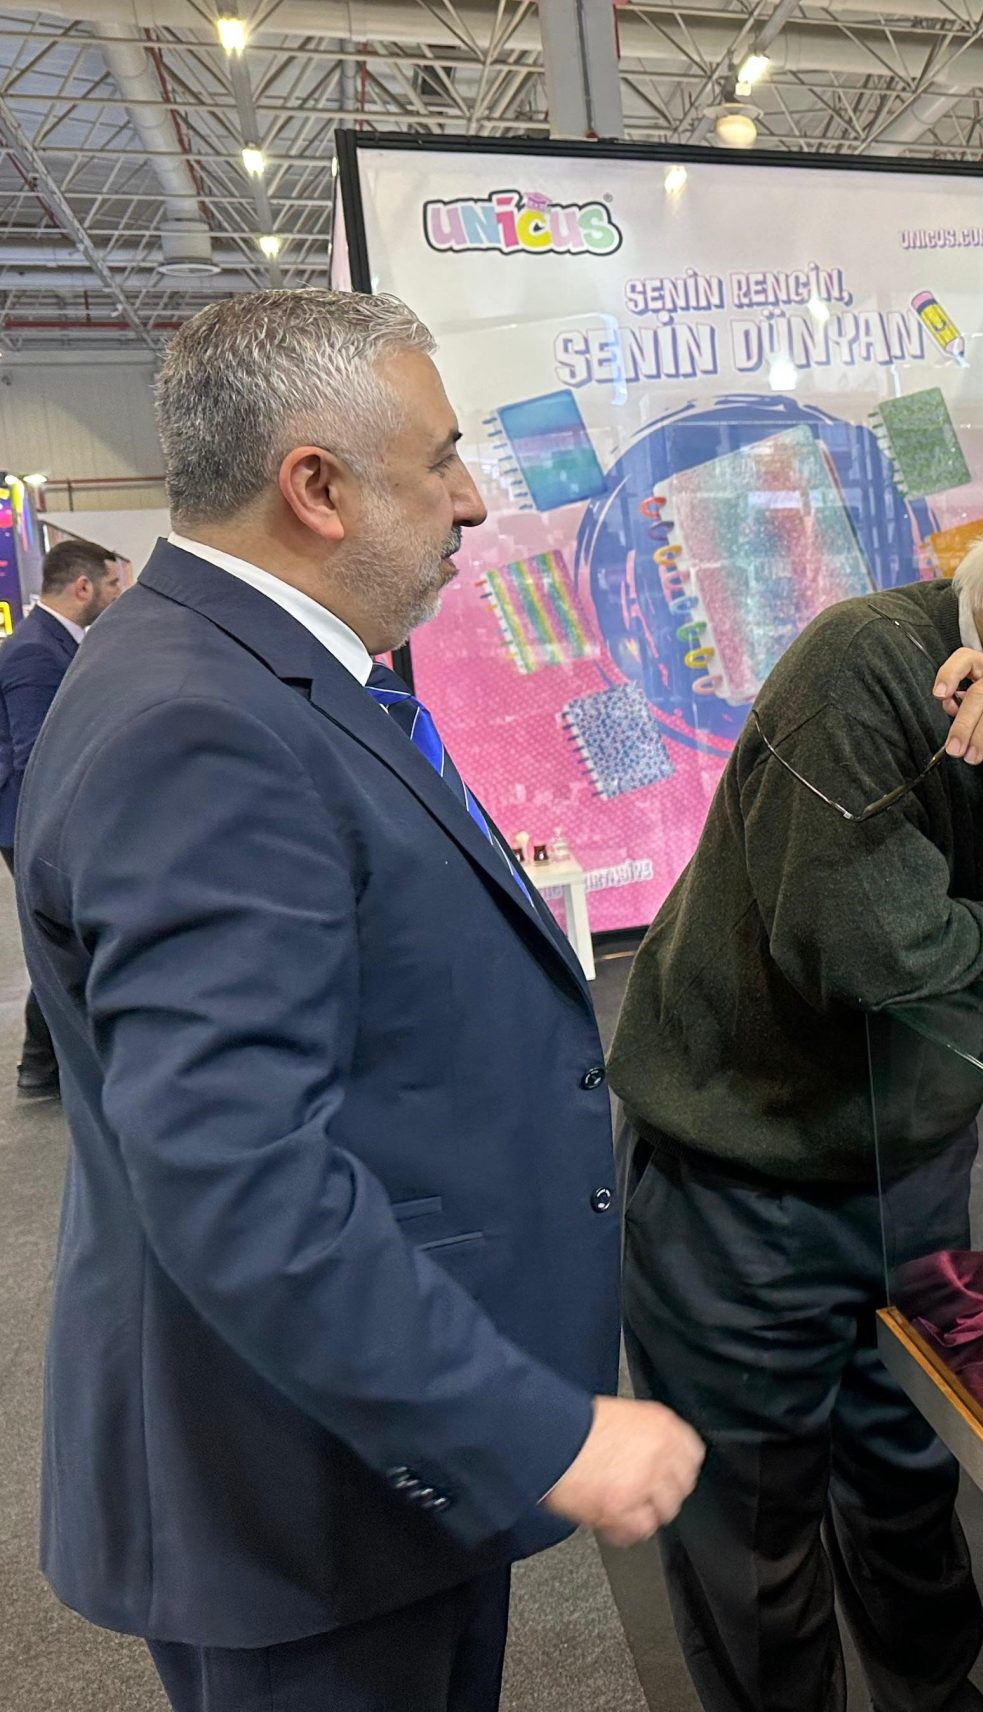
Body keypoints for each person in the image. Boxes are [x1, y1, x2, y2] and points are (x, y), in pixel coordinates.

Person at [22, 289, 700, 1712]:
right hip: (293, 1494)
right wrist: (533, 1428)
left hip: (358, 1467)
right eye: (440, 460)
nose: (470, 501)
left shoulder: (253, 674)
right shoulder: (203, 724)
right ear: (316, 488)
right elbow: (235, 1173)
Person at [609, 482, 983, 1712]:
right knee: (752, 1527)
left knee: (909, 1478)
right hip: (744, 1174)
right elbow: (877, 963)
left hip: (911, 1158)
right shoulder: (856, 673)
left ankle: (934, 1696)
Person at [0, 536, 125, 1096]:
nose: (118, 594)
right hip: (29, 822)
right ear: (82, 586)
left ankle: (42, 1065)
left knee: (65, 939)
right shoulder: (36, 651)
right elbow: (37, 756)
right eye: (112, 583)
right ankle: (41, 1065)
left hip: (40, 818)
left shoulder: (55, 642)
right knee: (63, 940)